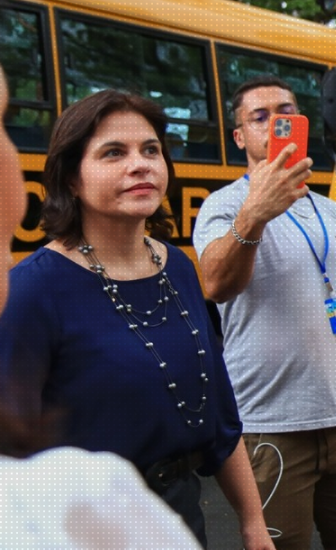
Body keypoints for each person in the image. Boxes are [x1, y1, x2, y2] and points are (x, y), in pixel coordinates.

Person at [0, 88, 273, 549]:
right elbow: (10, 450)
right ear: (71, 179)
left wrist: (253, 522)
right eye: (113, 153)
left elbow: (221, 412)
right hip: (84, 530)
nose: (140, 164)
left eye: (151, 150)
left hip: (182, 518)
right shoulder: (33, 289)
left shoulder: (180, 268)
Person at [193, 76, 336, 550]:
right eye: (260, 117)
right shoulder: (224, 206)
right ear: (240, 137)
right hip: (268, 434)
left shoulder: (331, 211)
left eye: (286, 111)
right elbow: (214, 283)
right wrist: (256, 212)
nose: (276, 122)